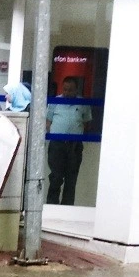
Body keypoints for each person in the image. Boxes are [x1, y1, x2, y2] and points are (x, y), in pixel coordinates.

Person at [46, 77, 92, 206]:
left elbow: (86, 123)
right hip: (57, 144)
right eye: (65, 89)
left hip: (74, 145)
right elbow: (48, 122)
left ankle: (67, 207)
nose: (67, 93)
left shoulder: (82, 103)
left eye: (70, 90)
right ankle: (52, 205)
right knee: (56, 176)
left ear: (76, 90)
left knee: (71, 179)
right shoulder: (55, 102)